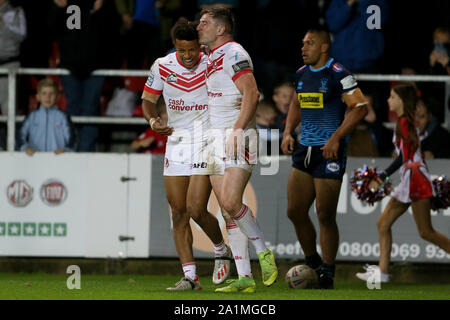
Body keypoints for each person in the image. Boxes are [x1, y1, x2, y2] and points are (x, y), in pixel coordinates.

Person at [141, 18, 232, 291]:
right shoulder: (162, 66)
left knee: (195, 208)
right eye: (182, 51)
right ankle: (191, 277)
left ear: (199, 46)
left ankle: (220, 249)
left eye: (192, 49)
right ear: (175, 47)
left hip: (206, 141)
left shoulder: (212, 62)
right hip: (176, 141)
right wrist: (153, 121)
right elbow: (147, 100)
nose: (188, 55)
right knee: (178, 212)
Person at [197, 7, 278, 293]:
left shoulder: (234, 53)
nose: (199, 27)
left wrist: (238, 129)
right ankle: (245, 277)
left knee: (231, 202)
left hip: (237, 136)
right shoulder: (210, 56)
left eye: (205, 23)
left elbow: (252, 94)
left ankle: (264, 251)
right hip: (214, 139)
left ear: (221, 29)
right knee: (227, 211)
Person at [281, 26, 368, 289]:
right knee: (295, 211)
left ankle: (328, 272)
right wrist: (287, 131)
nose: (303, 48)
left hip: (328, 152)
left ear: (323, 47)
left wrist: (336, 137)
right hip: (303, 149)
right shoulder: (301, 74)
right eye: (302, 43)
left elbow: (360, 108)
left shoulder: (339, 74)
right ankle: (313, 262)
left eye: (309, 43)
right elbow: (297, 102)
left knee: (325, 214)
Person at [356, 84, 450, 283]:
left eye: (392, 96)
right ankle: (382, 272)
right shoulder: (404, 121)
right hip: (412, 177)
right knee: (383, 223)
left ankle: (382, 272)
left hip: (415, 179)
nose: (389, 100)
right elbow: (409, 153)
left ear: (401, 101)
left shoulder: (405, 122)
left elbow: (406, 155)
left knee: (426, 232)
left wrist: (383, 175)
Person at [49, 0, 110, 152]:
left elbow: (113, 31)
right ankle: (71, 149)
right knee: (73, 110)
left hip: (95, 67)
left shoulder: (102, 3)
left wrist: (98, 12)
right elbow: (50, 30)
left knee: (89, 111)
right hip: (70, 67)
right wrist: (57, 8)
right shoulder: (67, 3)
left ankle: (85, 152)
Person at [19, 78, 74, 155]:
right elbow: (20, 135)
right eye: (44, 93)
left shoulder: (63, 116)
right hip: (35, 159)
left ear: (58, 97)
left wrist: (66, 150)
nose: (48, 97)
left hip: (57, 159)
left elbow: (72, 139)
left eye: (51, 93)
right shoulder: (31, 116)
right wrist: (25, 148)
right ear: (38, 97)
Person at [0, 0, 27, 116]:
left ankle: (10, 134)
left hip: (8, 63)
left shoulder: (16, 11)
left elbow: (21, 35)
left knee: (9, 108)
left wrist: (2, 24)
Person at [272, 82, 297, 155]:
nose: (288, 100)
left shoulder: (299, 117)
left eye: (291, 96)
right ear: (275, 97)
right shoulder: (266, 116)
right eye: (284, 96)